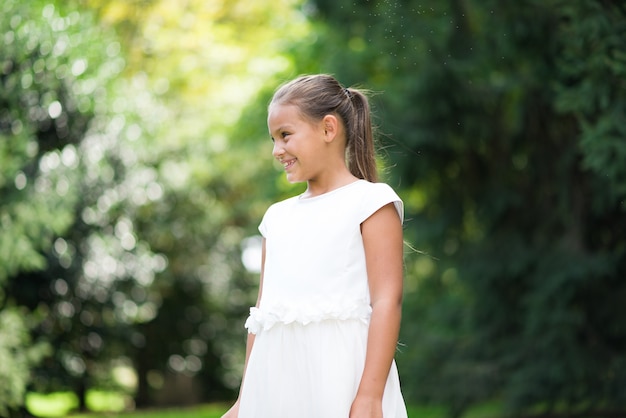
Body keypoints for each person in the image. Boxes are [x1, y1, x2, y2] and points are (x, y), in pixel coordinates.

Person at [222, 74, 407, 418]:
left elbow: (386, 302)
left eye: (285, 135)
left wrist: (369, 395)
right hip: (278, 388)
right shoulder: (276, 218)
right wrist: (243, 400)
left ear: (328, 129)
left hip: (342, 381)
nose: (277, 150)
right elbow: (263, 315)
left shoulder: (371, 202)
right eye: (273, 139)